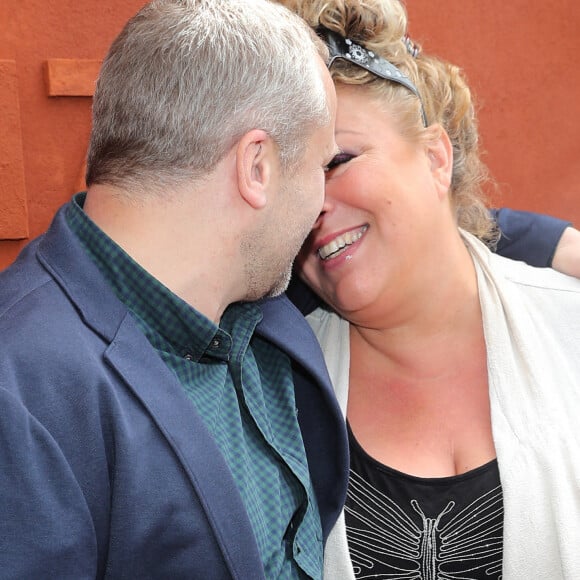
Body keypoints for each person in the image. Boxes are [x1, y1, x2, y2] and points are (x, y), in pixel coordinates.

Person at [0, 0, 350, 577]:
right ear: (256, 166)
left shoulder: (258, 303)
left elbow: (412, 230)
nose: (323, 205)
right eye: (322, 166)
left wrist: (539, 241)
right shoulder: (23, 392)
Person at [274, 1, 580, 578]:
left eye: (338, 161)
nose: (313, 204)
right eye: (293, 181)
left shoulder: (570, 328)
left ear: (437, 158)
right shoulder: (268, 374)